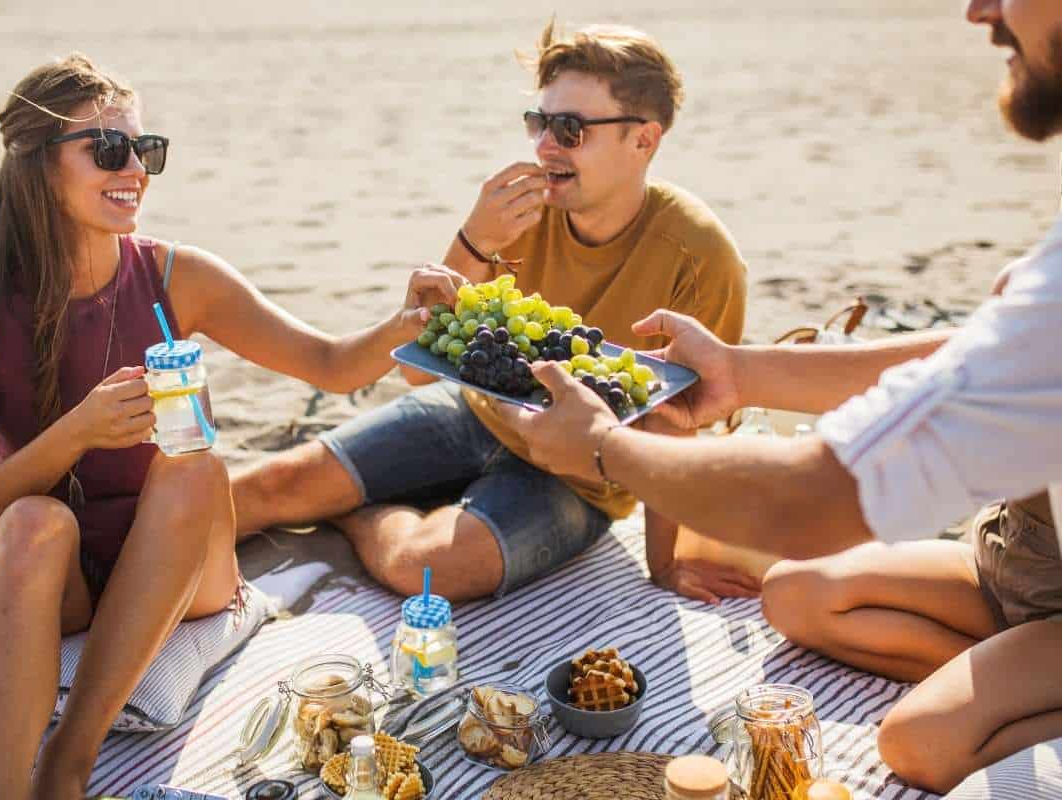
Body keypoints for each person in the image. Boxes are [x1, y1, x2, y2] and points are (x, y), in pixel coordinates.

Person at [499, 0, 1062, 792]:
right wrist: (741, 369)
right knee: (793, 592)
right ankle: (1003, 677)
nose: (978, 9)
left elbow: (811, 498)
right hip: (1023, 560)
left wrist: (605, 445)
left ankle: (992, 693)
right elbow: (979, 358)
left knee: (919, 744)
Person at [0, 54, 460, 800]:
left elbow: (329, 364)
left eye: (144, 148)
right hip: (48, 571)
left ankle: (70, 757)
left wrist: (408, 321)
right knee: (35, 521)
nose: (134, 167)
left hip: (173, 567)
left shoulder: (174, 275)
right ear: (36, 166)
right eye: (107, 149)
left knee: (195, 466)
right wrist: (80, 430)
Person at [228, 19, 753, 603]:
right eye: (540, 123)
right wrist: (475, 240)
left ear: (644, 141)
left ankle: (354, 513)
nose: (544, 146)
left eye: (571, 128)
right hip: (477, 410)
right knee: (261, 491)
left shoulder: (700, 257)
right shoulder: (517, 213)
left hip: (578, 478)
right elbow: (419, 370)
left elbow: (671, 426)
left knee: (422, 572)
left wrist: (664, 564)